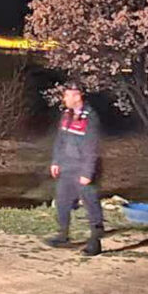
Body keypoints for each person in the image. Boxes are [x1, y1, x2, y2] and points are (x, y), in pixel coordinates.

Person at [45, 82, 104, 256]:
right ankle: (63, 234)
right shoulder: (66, 115)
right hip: (67, 165)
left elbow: (92, 147)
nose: (64, 99)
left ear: (77, 96)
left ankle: (95, 240)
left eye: (67, 95)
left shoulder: (90, 118)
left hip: (83, 167)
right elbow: (60, 140)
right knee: (62, 201)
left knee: (91, 203)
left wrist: (87, 172)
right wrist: (56, 161)